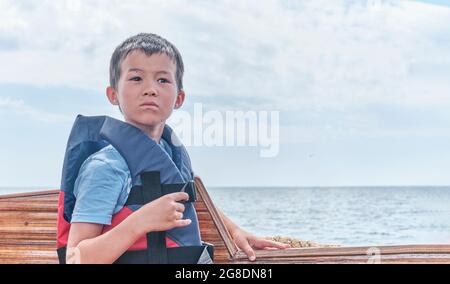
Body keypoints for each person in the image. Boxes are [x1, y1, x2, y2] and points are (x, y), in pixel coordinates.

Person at [56, 33, 289, 264]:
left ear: (179, 98)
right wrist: (140, 222)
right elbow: (76, 258)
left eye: (162, 80)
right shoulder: (105, 168)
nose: (150, 89)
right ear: (113, 94)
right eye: (136, 78)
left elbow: (189, 198)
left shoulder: (169, 155)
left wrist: (234, 231)